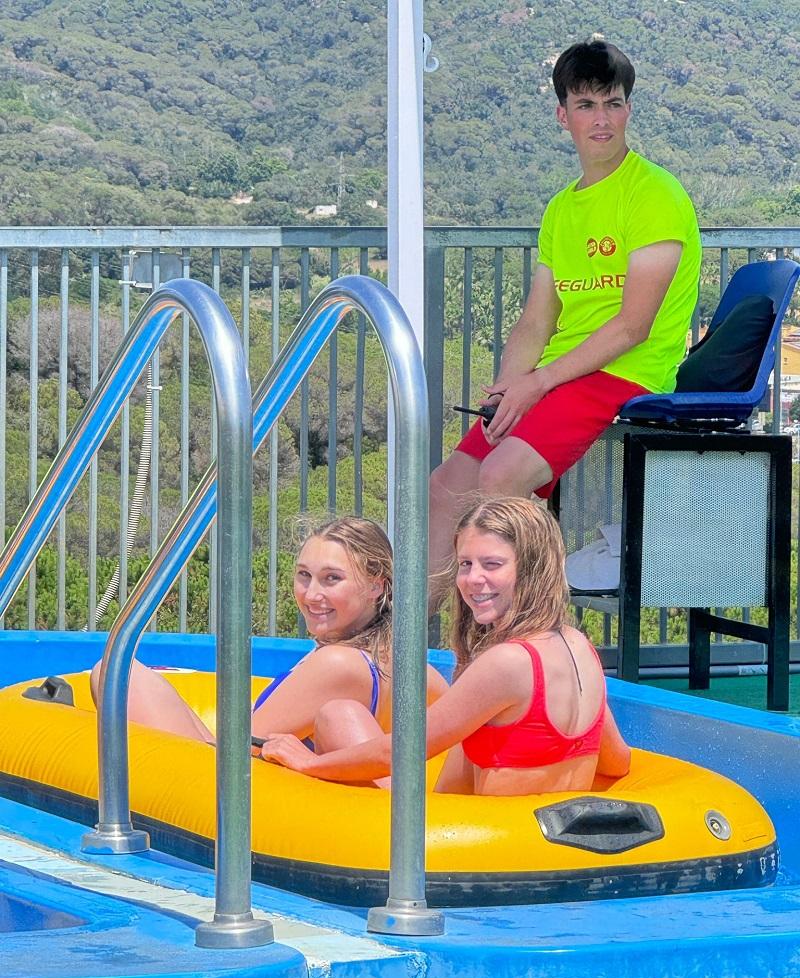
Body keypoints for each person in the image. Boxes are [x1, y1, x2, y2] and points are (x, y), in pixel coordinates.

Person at [428, 39, 702, 598]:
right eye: (586, 105)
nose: (601, 119)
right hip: (561, 374)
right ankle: (406, 641)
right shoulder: (561, 208)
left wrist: (539, 382)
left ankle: (528, 633)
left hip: (627, 372)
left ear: (628, 110)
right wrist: (508, 388)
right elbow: (536, 320)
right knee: (446, 486)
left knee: (500, 477)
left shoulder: (655, 194)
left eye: (613, 103)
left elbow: (634, 326)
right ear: (563, 115)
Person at [261, 497, 631, 796]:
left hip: (479, 848)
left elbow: (399, 753)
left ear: (532, 569)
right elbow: (618, 761)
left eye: (492, 564)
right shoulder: (577, 646)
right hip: (537, 840)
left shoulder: (508, 662)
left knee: (337, 716)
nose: (473, 579)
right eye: (466, 564)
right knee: (346, 715)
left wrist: (308, 763)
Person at [90, 516, 449, 765]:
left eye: (332, 579)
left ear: (376, 586)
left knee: (115, 674)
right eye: (304, 575)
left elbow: (235, 752)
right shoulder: (413, 669)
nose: (311, 594)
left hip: (242, 805)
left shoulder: (338, 663)